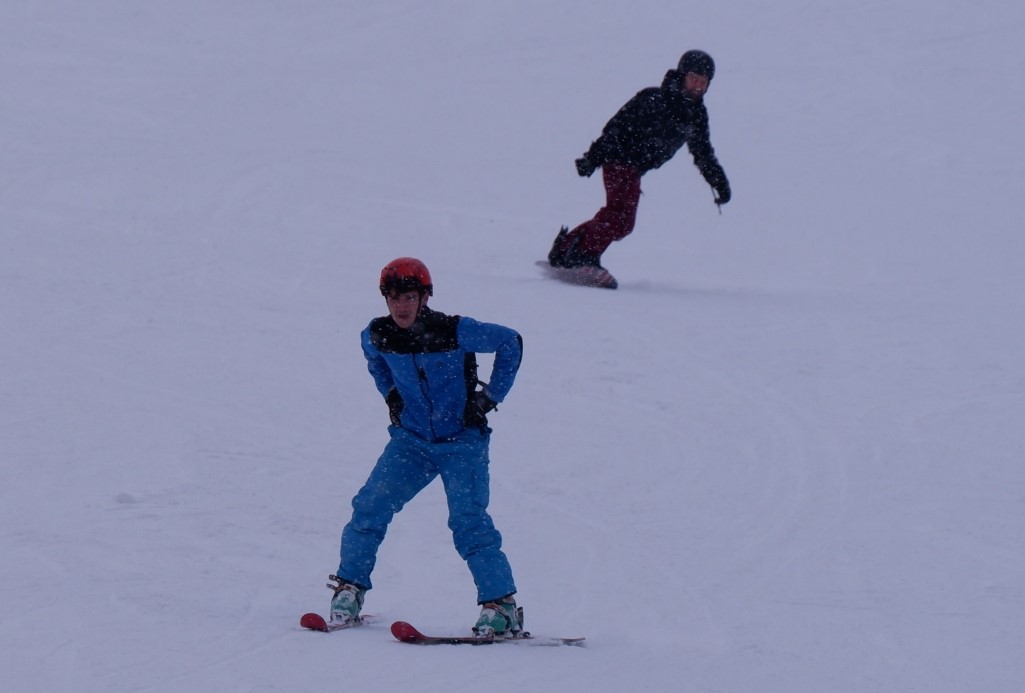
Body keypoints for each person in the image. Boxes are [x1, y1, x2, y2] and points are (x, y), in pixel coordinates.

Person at [327, 257, 525, 638]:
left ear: (425, 297)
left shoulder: (453, 331)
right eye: (394, 297)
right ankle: (349, 589)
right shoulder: (378, 335)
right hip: (411, 444)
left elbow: (509, 341)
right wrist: (391, 396)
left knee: (469, 523)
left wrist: (490, 397)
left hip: (462, 444)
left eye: (410, 296)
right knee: (369, 507)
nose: (401, 306)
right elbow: (374, 361)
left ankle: (501, 607)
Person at [547, 49, 732, 288]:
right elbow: (616, 127)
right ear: (682, 76)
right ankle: (581, 256)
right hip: (619, 159)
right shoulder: (654, 99)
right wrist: (593, 157)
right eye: (693, 78)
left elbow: (703, 152)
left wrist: (719, 182)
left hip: (634, 169)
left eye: (703, 82)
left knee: (619, 217)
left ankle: (568, 250)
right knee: (621, 217)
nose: (697, 85)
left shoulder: (696, 115)